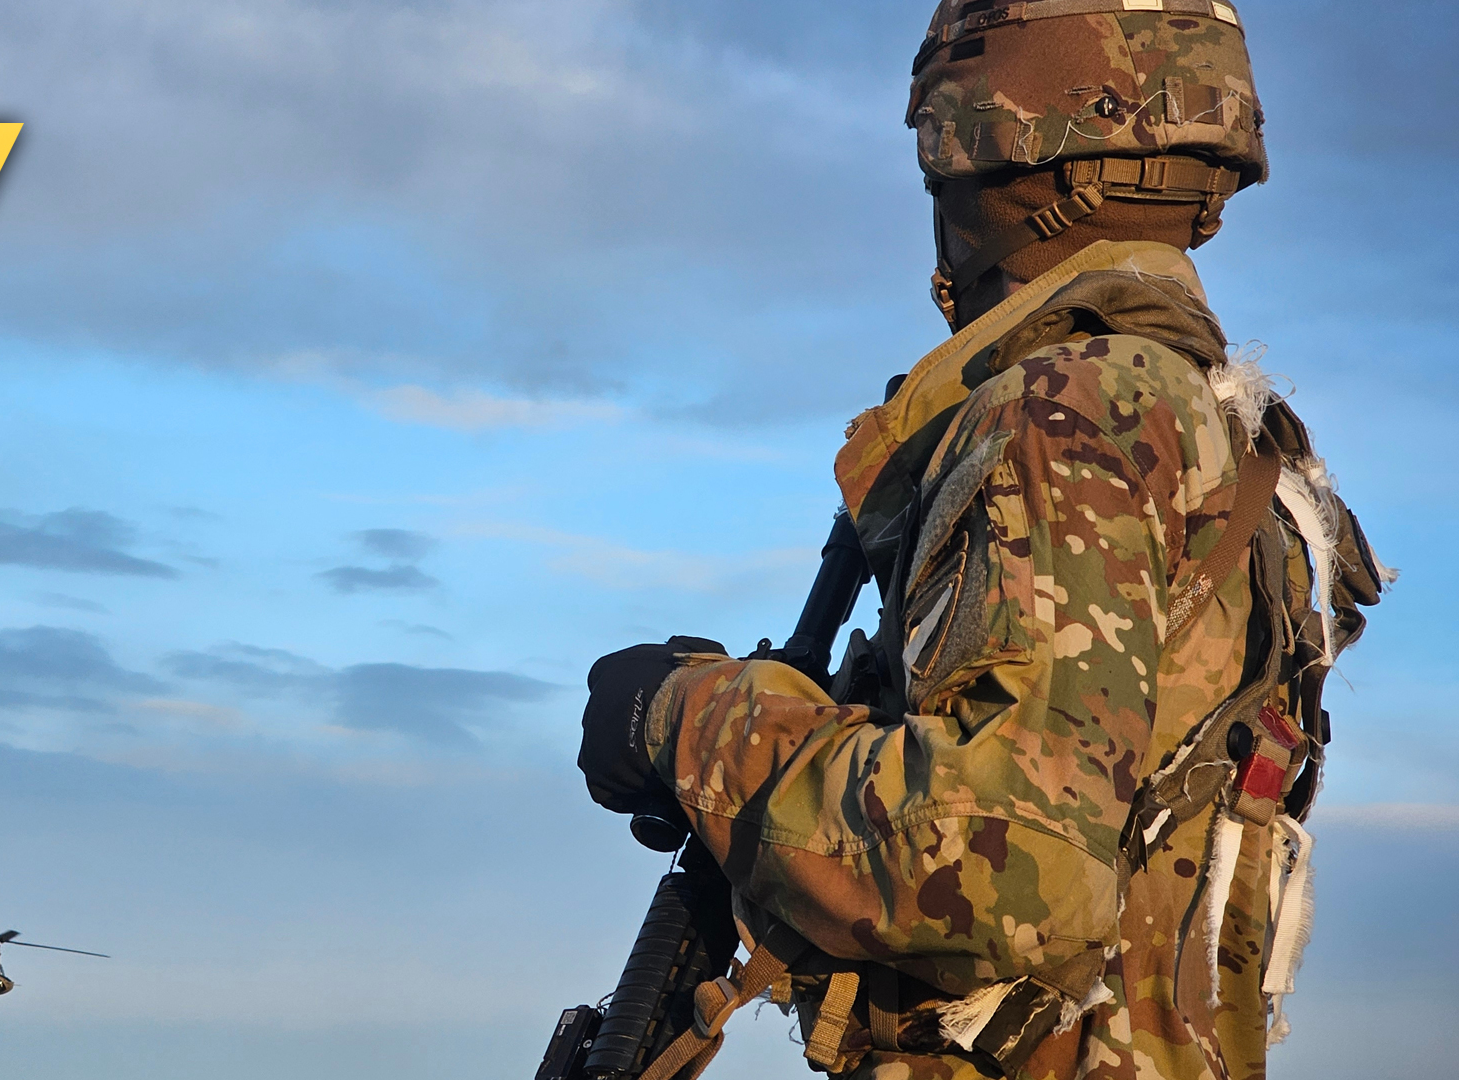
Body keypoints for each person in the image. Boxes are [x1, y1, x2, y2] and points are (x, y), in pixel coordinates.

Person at [577, 4, 1394, 1078]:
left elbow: (1005, 867)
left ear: (977, 142)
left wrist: (683, 721)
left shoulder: (1071, 409)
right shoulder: (1220, 430)